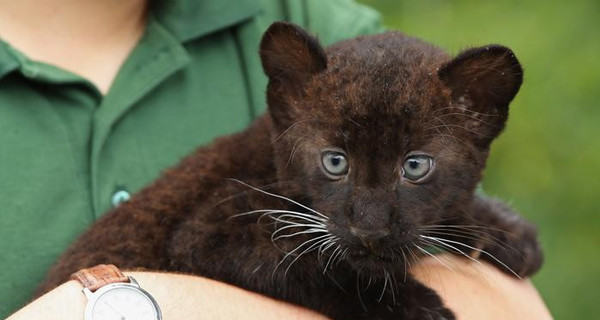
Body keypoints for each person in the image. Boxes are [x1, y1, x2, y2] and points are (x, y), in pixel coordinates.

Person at [0, 0, 551, 319]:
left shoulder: (319, 24)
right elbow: (209, 243)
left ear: (481, 114)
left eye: (415, 170)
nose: (371, 226)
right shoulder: (264, 176)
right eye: (335, 165)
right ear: (286, 104)